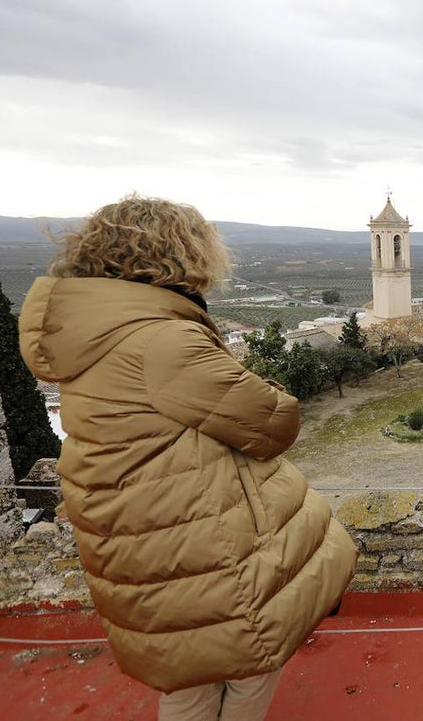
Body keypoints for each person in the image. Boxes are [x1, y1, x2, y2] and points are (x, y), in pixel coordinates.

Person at [18, 194, 358, 721]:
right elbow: (273, 424)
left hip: (131, 532)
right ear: (182, 254)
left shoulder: (90, 333)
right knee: (252, 659)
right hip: (187, 534)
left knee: (185, 672)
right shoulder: (163, 340)